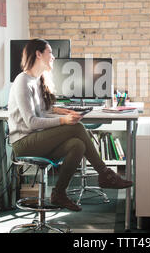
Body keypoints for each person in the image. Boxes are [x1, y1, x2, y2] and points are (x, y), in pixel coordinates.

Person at [7, 39, 132, 212]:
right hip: (24, 142)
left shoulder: (36, 80)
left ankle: (59, 193)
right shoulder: (23, 81)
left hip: (37, 139)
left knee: (78, 145)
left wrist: (61, 112)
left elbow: (42, 113)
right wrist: (63, 120)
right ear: (38, 54)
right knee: (77, 128)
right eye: (50, 52)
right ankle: (104, 173)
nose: (53, 57)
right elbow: (32, 122)